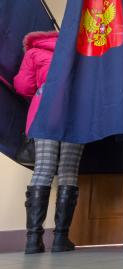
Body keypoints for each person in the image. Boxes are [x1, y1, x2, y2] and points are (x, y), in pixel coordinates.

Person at [13, 31, 84, 254]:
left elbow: (23, 86)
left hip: (45, 113)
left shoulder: (34, 51)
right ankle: (61, 239)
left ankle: (33, 240)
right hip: (74, 113)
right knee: (68, 171)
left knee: (43, 169)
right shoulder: (81, 53)